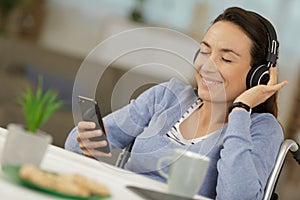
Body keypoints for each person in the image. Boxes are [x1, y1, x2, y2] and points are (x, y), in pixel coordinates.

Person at [65, 7, 288, 200]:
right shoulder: (167, 96)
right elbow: (77, 146)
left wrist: (241, 111)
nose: (207, 66)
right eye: (204, 51)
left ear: (259, 76)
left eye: (226, 59)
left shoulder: (261, 129)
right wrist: (84, 141)